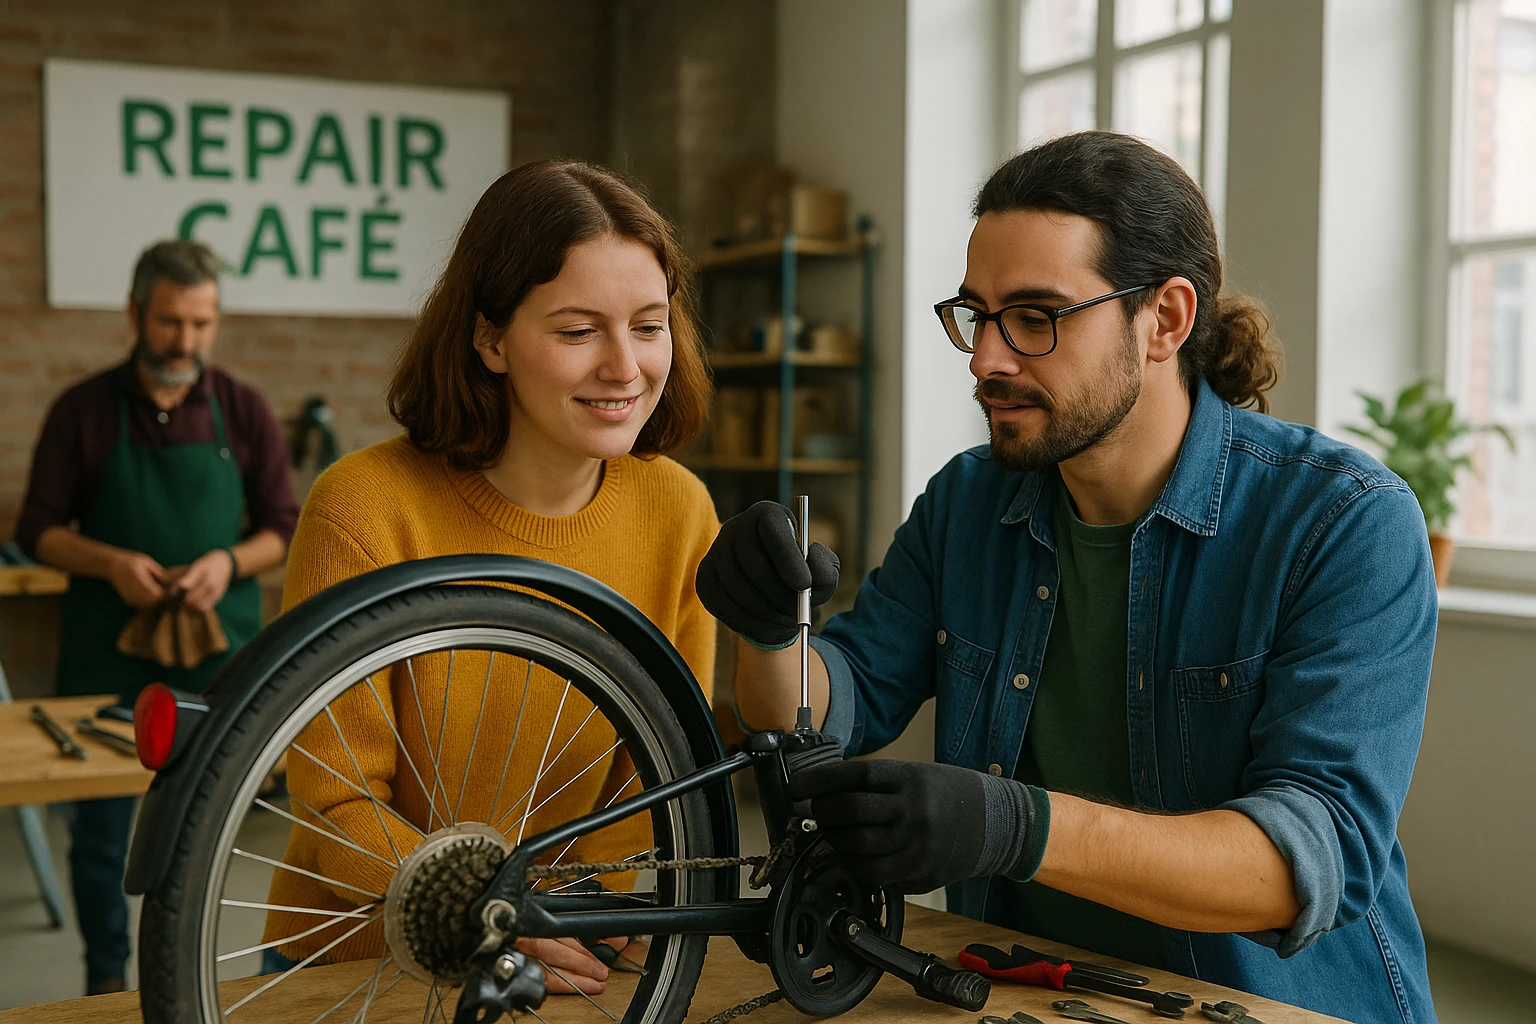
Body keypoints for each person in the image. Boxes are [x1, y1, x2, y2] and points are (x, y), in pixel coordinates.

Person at [696, 131, 1437, 1022]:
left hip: (1271, 1008)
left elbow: (1304, 859)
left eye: (1036, 317)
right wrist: (773, 628)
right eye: (978, 314)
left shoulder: (1344, 521)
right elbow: (825, 713)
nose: (986, 360)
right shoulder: (970, 501)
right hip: (1031, 990)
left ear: (1164, 319)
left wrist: (1016, 825)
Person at [260, 160, 717, 995]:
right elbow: (335, 803)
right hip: (357, 962)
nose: (624, 367)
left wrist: (593, 916)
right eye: (578, 331)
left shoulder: (680, 513)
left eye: (648, 326)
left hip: (567, 952)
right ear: (490, 338)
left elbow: (659, 784)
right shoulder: (362, 510)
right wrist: (488, 913)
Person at [16, 239, 298, 994]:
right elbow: (34, 529)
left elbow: (283, 524)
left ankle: (185, 981)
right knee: (103, 839)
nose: (187, 342)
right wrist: (112, 564)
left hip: (218, 661)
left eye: (202, 324)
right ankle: (106, 976)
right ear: (134, 314)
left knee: (205, 832)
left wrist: (226, 564)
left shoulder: (241, 408)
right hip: (107, 657)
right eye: (171, 322)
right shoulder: (82, 410)